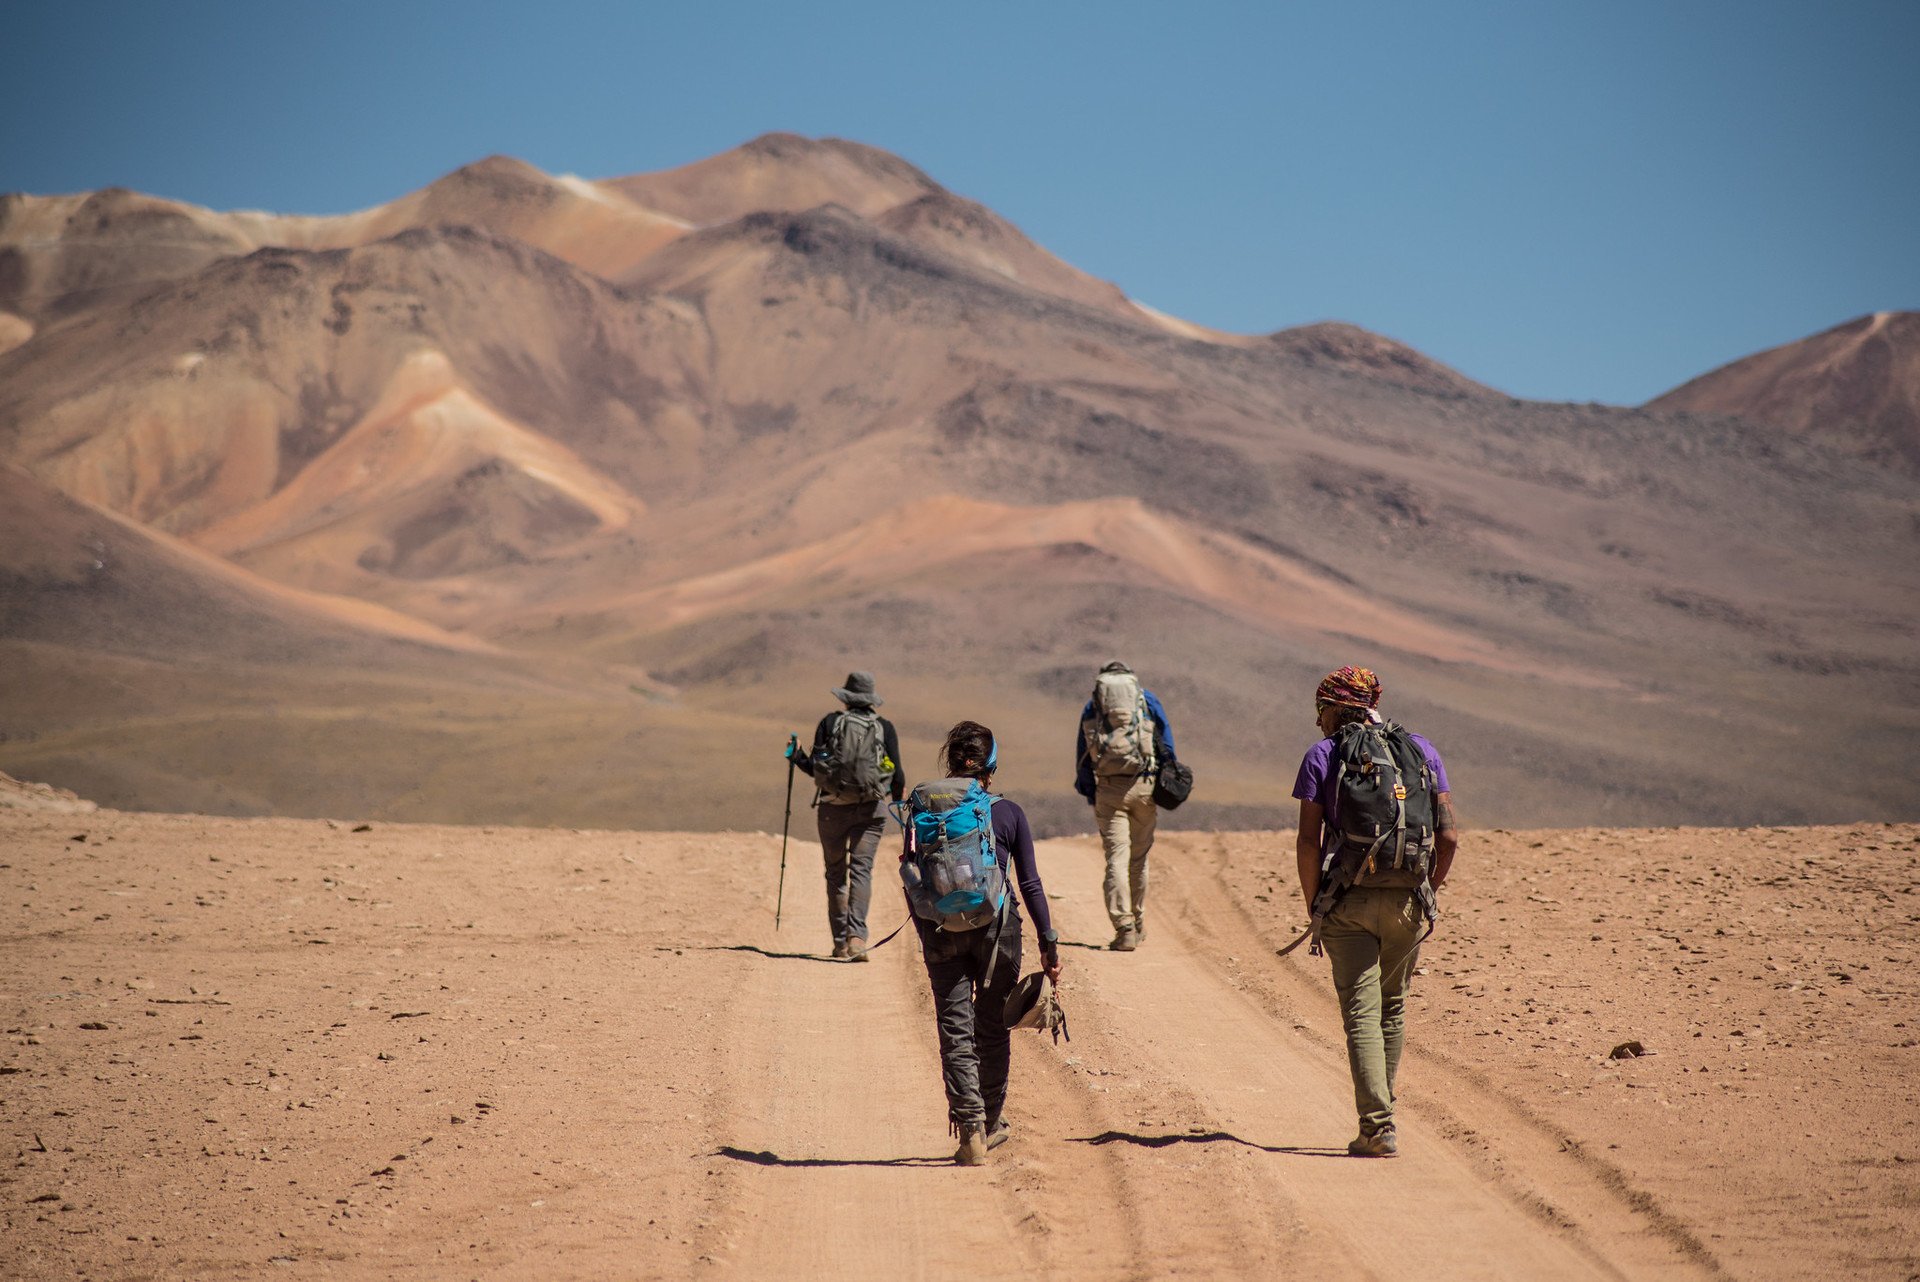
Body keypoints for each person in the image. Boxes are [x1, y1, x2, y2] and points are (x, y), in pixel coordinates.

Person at [1292, 666, 1457, 1158]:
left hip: (1347, 899)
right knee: (1392, 1006)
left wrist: (1314, 904)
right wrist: (1426, 888)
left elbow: (1307, 840)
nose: (1318, 721)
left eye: (1320, 710)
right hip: (1408, 897)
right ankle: (1380, 1115)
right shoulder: (1422, 749)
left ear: (1336, 708)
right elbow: (1448, 836)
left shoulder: (1323, 755)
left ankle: (1377, 1125)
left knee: (1360, 1013)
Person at [905, 721, 1061, 1165]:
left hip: (940, 931)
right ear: (991, 767)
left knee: (954, 1028)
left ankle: (969, 1128)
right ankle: (992, 1123)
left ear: (949, 762)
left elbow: (913, 879)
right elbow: (1029, 883)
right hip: (999, 933)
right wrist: (1049, 944)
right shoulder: (1008, 813)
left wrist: (928, 928)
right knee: (990, 1027)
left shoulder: (923, 812)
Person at [788, 671, 905, 960]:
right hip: (872, 810)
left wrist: (797, 756)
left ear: (846, 698)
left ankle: (840, 943)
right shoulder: (884, 727)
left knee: (835, 874)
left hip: (832, 810)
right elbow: (898, 776)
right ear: (870, 700)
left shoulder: (830, 723)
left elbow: (818, 768)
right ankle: (857, 938)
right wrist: (895, 802)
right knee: (862, 871)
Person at [1072, 660, 1174, 951]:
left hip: (1109, 789)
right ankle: (1139, 922)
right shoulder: (1147, 700)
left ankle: (1124, 927)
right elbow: (1166, 742)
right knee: (1139, 859)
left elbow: (1082, 752)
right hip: (1145, 787)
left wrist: (1092, 793)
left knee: (1116, 857)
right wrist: (1167, 780)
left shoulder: (1093, 706)